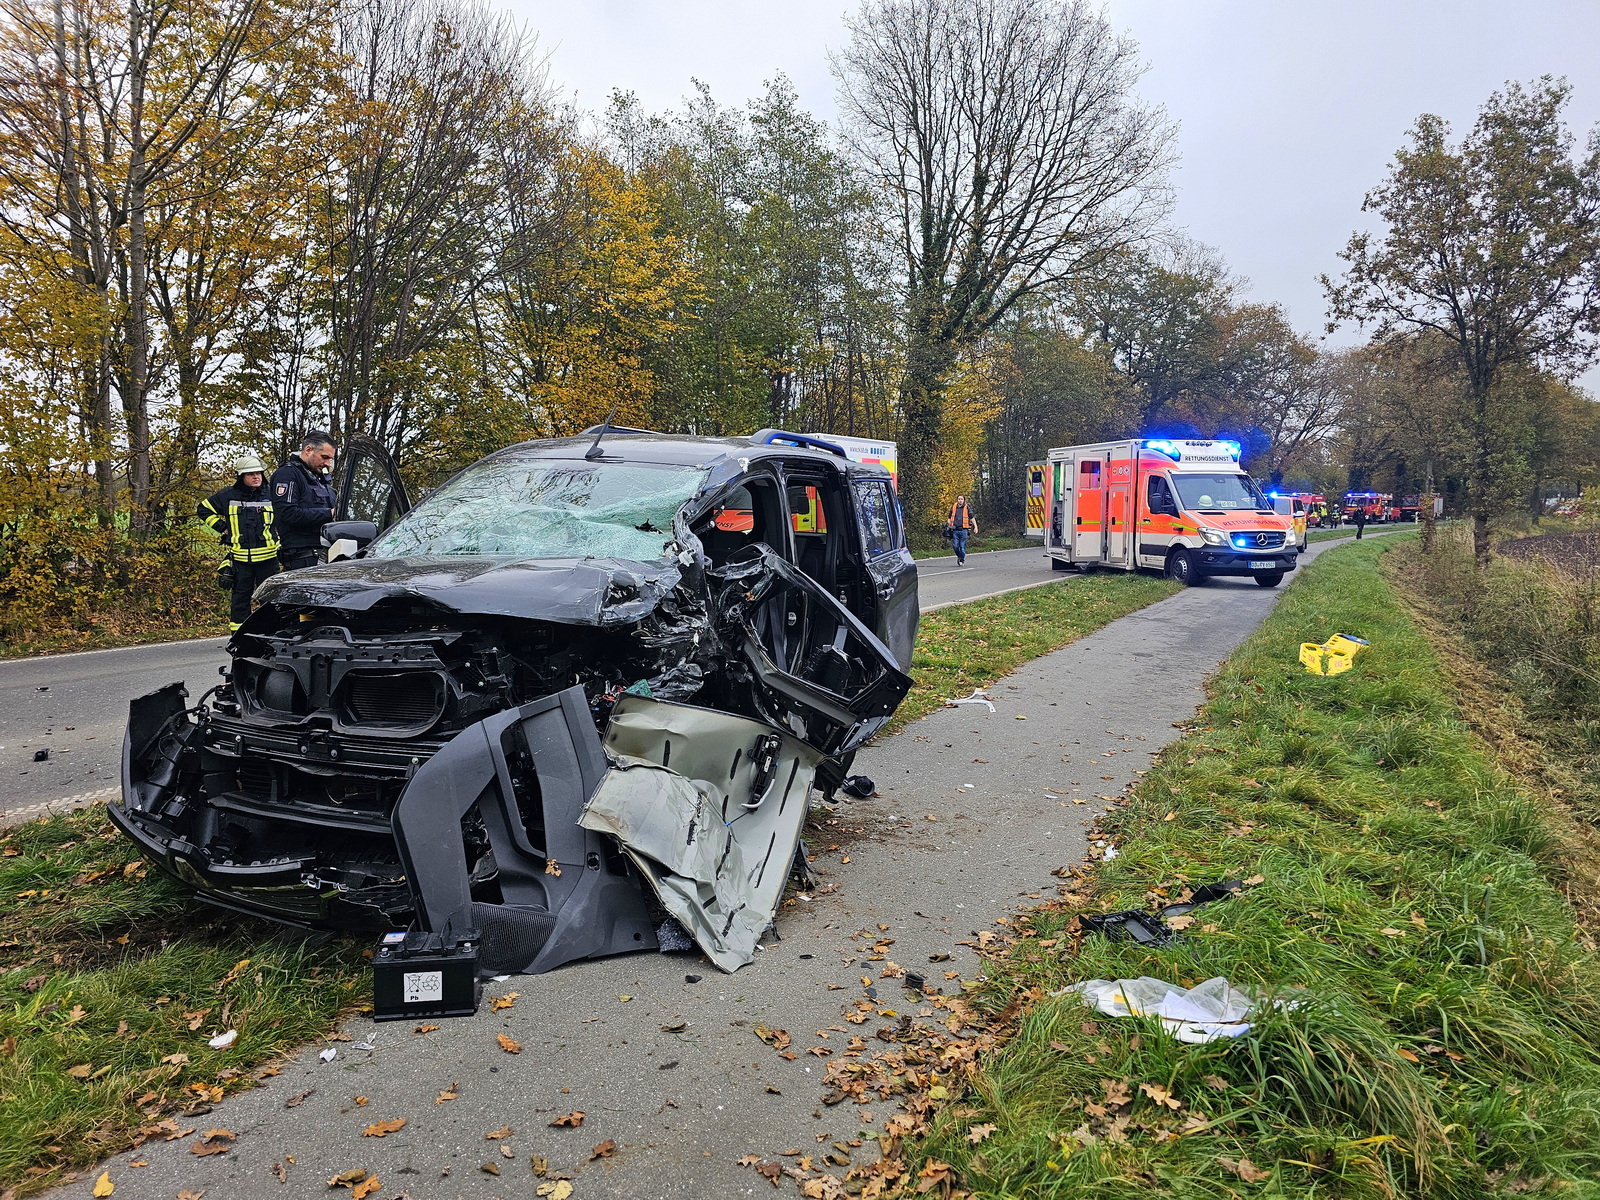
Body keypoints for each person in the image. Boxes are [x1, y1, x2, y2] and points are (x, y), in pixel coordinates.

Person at [198, 456, 280, 632]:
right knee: (239, 601)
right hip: (240, 560)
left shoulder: (271, 494)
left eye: (258, 473)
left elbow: (286, 515)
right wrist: (221, 527)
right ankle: (239, 638)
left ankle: (272, 634)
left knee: (270, 600)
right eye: (251, 474)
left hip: (268, 559)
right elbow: (203, 509)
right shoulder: (228, 495)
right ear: (241, 476)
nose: (256, 477)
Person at [271, 431, 338, 571]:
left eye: (330, 459)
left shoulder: (318, 479)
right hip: (302, 558)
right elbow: (287, 513)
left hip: (324, 555)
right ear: (308, 450)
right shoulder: (287, 474)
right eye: (324, 457)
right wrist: (329, 514)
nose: (327, 463)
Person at [947, 495, 978, 565]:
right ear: (957, 500)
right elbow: (949, 517)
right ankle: (959, 557)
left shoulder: (967, 508)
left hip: (964, 530)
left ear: (964, 500)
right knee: (955, 546)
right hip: (955, 530)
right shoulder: (953, 507)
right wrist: (949, 522)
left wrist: (975, 527)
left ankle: (961, 559)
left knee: (962, 547)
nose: (960, 500)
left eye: (961, 499)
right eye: (959, 499)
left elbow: (972, 518)